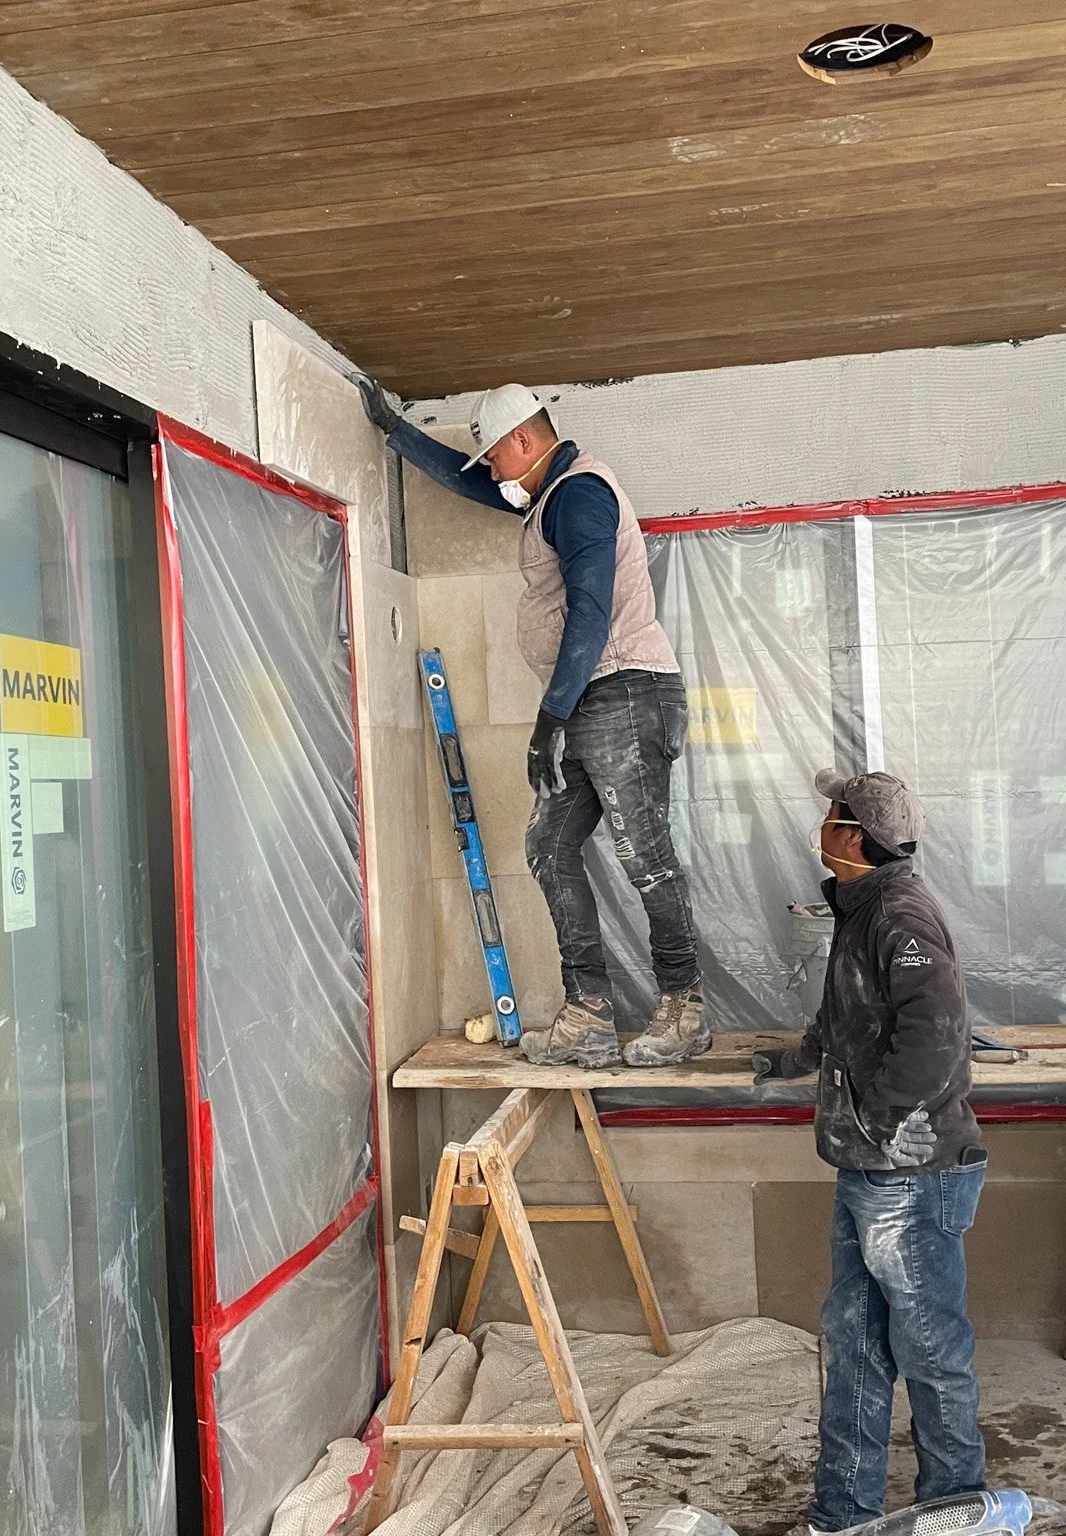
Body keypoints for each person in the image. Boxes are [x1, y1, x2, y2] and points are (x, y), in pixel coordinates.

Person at [356, 377, 707, 1069]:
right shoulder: (546, 493)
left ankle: (683, 1005)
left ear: (524, 440)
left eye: (492, 455)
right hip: (587, 697)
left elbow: (591, 610)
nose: (490, 470)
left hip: (624, 691)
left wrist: (550, 718)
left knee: (645, 855)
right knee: (549, 844)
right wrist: (396, 433)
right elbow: (477, 491)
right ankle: (591, 1014)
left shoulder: (579, 495)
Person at [754, 770, 988, 1530]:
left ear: (853, 836)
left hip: (910, 1174)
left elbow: (937, 1032)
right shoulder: (860, 911)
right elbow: (848, 1016)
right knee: (854, 1347)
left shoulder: (899, 915)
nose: (819, 825)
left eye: (830, 816)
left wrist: (883, 1118)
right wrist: (796, 1059)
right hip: (869, 1171)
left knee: (928, 1352)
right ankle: (841, 1517)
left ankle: (954, 1510)